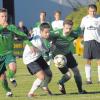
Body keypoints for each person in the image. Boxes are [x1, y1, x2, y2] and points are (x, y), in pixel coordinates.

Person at [0, 8, 35, 97]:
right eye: (2, 16)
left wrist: (29, 44)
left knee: (13, 69)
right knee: (2, 77)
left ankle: (11, 77)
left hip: (9, 52)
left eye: (5, 16)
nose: (4, 18)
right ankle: (8, 90)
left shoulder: (11, 27)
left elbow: (22, 35)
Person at [50, 19, 87, 94]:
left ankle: (80, 91)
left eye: (70, 28)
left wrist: (77, 40)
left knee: (76, 72)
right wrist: (49, 45)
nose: (68, 30)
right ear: (63, 27)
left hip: (68, 54)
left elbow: (80, 34)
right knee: (68, 75)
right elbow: (46, 37)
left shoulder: (73, 34)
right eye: (66, 28)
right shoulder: (56, 33)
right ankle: (61, 82)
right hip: (58, 57)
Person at [23, 22, 52, 98]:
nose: (48, 34)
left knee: (49, 74)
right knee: (42, 76)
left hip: (38, 57)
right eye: (46, 32)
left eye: (49, 32)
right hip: (30, 59)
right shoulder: (38, 42)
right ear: (41, 32)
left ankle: (44, 86)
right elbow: (45, 50)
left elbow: (45, 48)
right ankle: (30, 93)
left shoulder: (41, 37)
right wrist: (51, 48)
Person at [80, 4, 100, 84]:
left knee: (99, 61)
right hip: (87, 42)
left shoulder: (99, 18)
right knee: (88, 60)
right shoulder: (84, 19)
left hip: (97, 41)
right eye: (91, 11)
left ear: (96, 11)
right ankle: (89, 79)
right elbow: (81, 28)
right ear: (88, 11)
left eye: (94, 11)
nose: (92, 13)